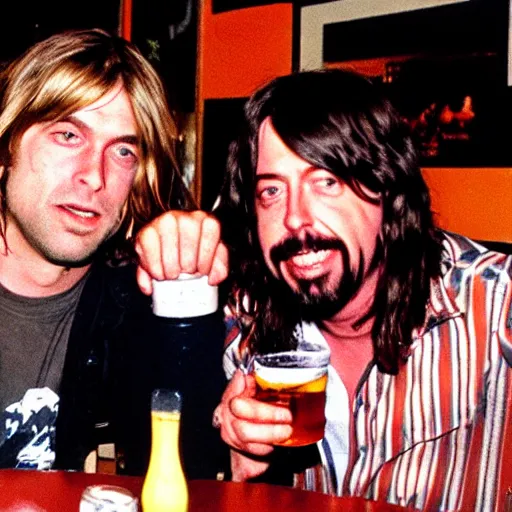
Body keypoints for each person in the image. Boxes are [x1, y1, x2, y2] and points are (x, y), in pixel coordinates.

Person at [209, 69, 512, 510]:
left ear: (385, 187)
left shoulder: (491, 302)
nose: (295, 219)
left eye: (327, 182)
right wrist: (238, 463)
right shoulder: (246, 322)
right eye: (271, 191)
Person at [0, 28, 229, 478]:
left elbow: (189, 472)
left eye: (122, 150)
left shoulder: (130, 303)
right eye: (68, 135)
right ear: (7, 146)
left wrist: (185, 292)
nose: (95, 176)